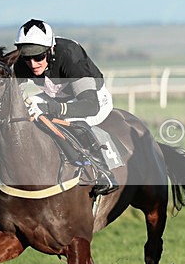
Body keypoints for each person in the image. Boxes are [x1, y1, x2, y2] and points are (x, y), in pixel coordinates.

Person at [13, 19, 118, 196]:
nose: (32, 64)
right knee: (25, 111)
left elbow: (90, 105)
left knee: (69, 119)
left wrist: (52, 108)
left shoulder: (70, 56)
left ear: (50, 49)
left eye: (38, 57)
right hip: (56, 96)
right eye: (26, 57)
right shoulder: (25, 62)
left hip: (92, 99)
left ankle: (105, 174)